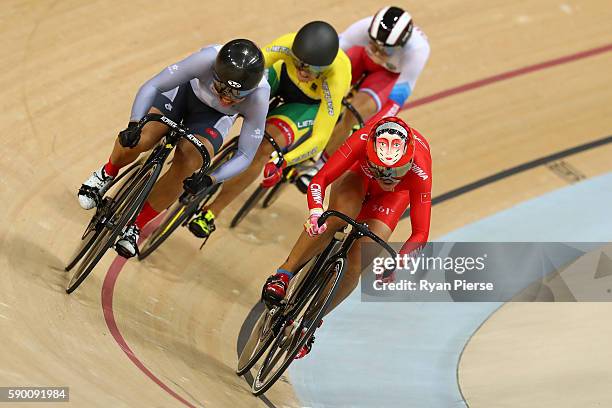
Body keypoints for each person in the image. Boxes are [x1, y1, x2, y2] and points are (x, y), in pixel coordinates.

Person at [77, 39, 270, 258]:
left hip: (211, 119)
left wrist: (210, 179)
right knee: (141, 138)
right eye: (221, 87)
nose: (226, 97)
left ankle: (135, 225)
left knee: (188, 164)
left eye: (237, 96)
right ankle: (107, 172)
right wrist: (134, 124)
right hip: (183, 95)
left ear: (251, 91)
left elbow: (246, 154)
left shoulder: (259, 97)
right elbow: (154, 85)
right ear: (214, 73)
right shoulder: (205, 60)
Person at [262, 116, 432, 358]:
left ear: (410, 160)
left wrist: (401, 260)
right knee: (336, 219)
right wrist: (315, 213)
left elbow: (421, 232)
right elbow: (320, 179)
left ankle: (310, 324)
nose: (388, 177)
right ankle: (283, 274)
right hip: (358, 177)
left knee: (361, 258)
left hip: (392, 199)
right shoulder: (361, 140)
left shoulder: (421, 170)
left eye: (396, 172)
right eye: (381, 170)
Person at [187, 21, 352, 239]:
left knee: (263, 148)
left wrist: (284, 161)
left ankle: (211, 212)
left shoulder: (337, 77)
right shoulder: (287, 44)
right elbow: (249, 70)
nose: (303, 71)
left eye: (311, 69)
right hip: (280, 78)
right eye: (298, 62)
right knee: (234, 97)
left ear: (325, 69)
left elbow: (320, 138)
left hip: (305, 105)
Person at [296, 6, 430, 188]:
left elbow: (399, 96)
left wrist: (378, 122)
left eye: (385, 48)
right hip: (361, 57)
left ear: (401, 44)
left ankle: (318, 167)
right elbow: (334, 51)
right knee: (322, 80)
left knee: (354, 115)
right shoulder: (364, 27)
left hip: (387, 75)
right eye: (374, 42)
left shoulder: (417, 51)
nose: (378, 49)